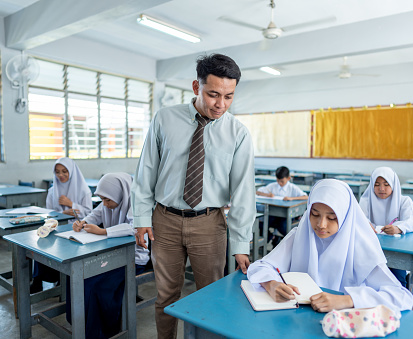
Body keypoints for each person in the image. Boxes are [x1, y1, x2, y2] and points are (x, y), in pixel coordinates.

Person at [131, 53, 255, 338]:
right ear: (196, 87)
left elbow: (243, 192)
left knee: (211, 298)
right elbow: (146, 170)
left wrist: (240, 243)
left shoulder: (238, 133)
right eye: (213, 94)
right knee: (166, 297)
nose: (220, 104)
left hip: (209, 224)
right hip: (165, 221)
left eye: (229, 96)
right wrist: (141, 217)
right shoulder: (164, 119)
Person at [247, 179, 413, 314]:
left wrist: (347, 300)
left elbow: (401, 296)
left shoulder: (359, 247)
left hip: (338, 324)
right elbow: (261, 266)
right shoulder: (300, 235)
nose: (321, 224)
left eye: (332, 217)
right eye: (315, 214)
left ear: (345, 216)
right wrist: (271, 284)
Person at [70, 172, 150, 339]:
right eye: (102, 199)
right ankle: (82, 325)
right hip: (113, 255)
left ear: (121, 194)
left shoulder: (137, 204)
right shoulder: (107, 203)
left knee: (97, 286)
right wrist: (83, 222)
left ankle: (103, 331)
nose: (104, 204)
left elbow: (134, 228)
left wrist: (104, 231)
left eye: (108, 200)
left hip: (133, 259)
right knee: (80, 278)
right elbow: (95, 214)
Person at [31, 157, 93, 293]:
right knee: (41, 243)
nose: (61, 175)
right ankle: (37, 280)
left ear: (72, 171)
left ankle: (63, 278)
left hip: (77, 229)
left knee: (69, 247)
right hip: (57, 228)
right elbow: (49, 214)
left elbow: (90, 214)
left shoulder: (84, 190)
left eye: (65, 171)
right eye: (57, 172)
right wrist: (63, 213)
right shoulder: (52, 191)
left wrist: (72, 205)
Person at [359, 167, 413, 287]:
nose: (381, 189)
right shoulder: (366, 201)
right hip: (371, 248)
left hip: (398, 250)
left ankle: (400, 299)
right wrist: (366, 225)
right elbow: (360, 218)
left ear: (394, 184)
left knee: (398, 279)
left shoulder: (404, 201)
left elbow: (411, 220)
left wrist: (398, 228)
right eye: (377, 184)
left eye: (386, 184)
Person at [256, 166, 308, 246]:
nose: (279, 183)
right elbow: (258, 192)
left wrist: (291, 198)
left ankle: (290, 244)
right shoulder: (273, 186)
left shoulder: (292, 188)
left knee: (284, 227)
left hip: (286, 216)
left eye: (282, 181)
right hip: (273, 214)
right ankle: (271, 237)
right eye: (278, 181)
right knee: (261, 223)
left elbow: (306, 197)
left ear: (288, 178)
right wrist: (267, 195)